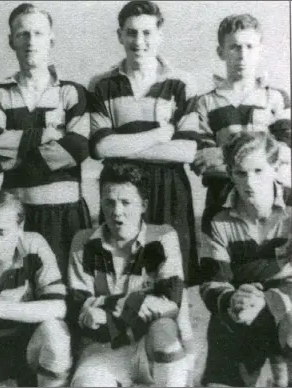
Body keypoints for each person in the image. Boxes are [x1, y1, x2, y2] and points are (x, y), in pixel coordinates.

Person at [0, 3, 91, 278]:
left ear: (52, 38)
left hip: (66, 214)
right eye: (22, 34)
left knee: (69, 294)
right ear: (11, 40)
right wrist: (45, 135)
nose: (30, 41)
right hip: (15, 215)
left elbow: (78, 148)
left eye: (38, 33)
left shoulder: (71, 92)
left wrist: (15, 161)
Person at [87, 0, 199, 286]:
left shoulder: (181, 83)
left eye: (147, 33)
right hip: (120, 188)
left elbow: (186, 150)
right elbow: (100, 148)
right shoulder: (101, 84)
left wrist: (122, 145)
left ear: (159, 34)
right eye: (132, 33)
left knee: (170, 278)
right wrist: (158, 136)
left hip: (169, 188)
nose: (140, 41)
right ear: (120, 36)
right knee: (121, 276)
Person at [68, 162, 194, 387]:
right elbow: (79, 306)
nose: (117, 212)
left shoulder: (163, 237)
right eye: (109, 202)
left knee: (164, 329)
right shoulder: (83, 242)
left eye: (126, 202)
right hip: (102, 349)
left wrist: (109, 307)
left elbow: (171, 302)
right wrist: (141, 302)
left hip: (148, 345)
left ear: (143, 204)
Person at [178, 14, 291, 232]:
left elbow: (286, 153)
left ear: (260, 50)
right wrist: (261, 154)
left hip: (271, 205)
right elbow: (202, 163)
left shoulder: (277, 98)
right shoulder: (205, 102)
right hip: (221, 204)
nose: (242, 55)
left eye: (249, 46)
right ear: (221, 52)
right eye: (234, 47)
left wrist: (223, 153)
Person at [199, 131, 292, 387]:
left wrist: (272, 300)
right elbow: (211, 282)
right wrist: (232, 300)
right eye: (241, 173)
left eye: (258, 171)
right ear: (229, 173)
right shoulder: (216, 217)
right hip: (242, 303)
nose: (250, 182)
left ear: (275, 168)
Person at [0, 191, 71, 387]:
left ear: (20, 228)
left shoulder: (34, 245)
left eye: (2, 232)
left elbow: (58, 307)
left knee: (56, 332)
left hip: (25, 346)